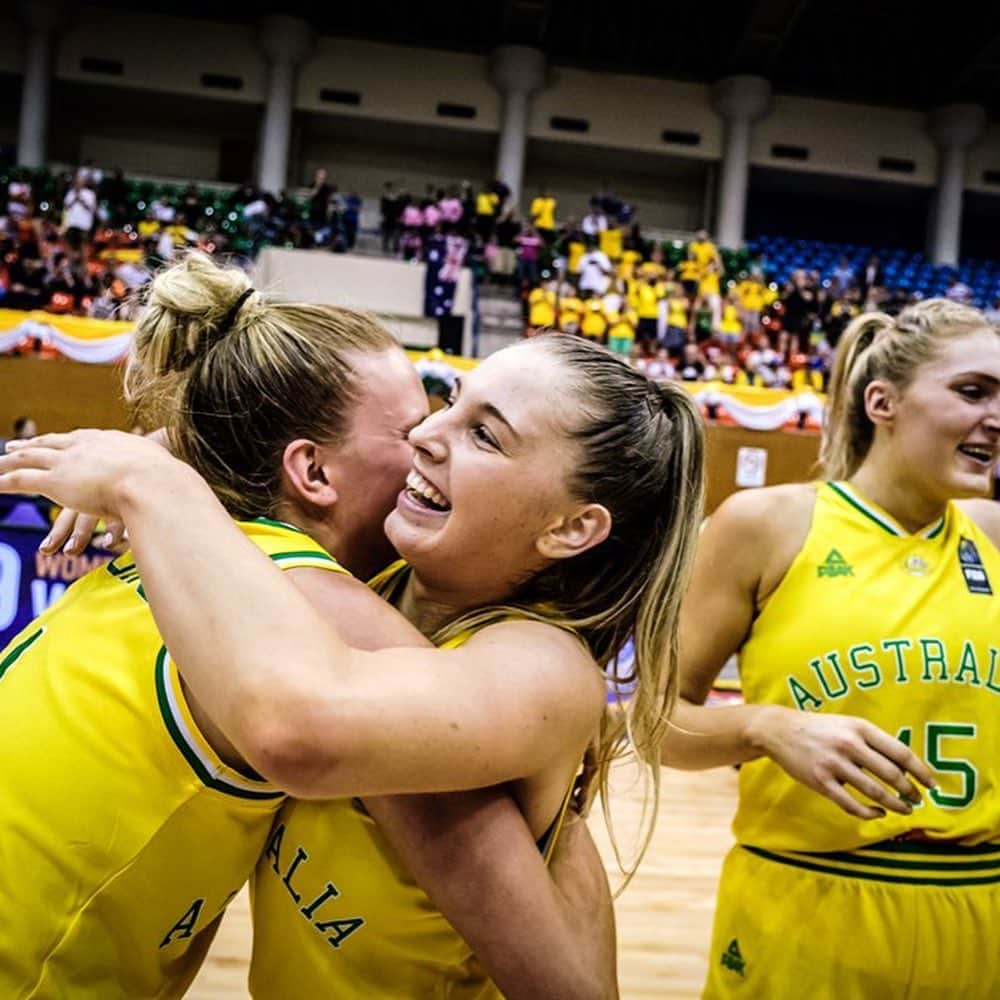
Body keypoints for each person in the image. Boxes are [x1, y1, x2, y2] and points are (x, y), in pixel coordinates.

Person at [1, 265, 706, 997]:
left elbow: (567, 981)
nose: (429, 435)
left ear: (571, 527)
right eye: (445, 404)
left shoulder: (540, 669)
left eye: (485, 436)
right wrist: (173, 449)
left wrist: (152, 481)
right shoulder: (364, 582)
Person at [662, 299, 1000, 997]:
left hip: (980, 908)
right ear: (883, 402)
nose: (996, 417)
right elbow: (653, 720)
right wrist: (763, 725)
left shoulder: (992, 535)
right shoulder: (768, 525)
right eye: (973, 391)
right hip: (806, 900)